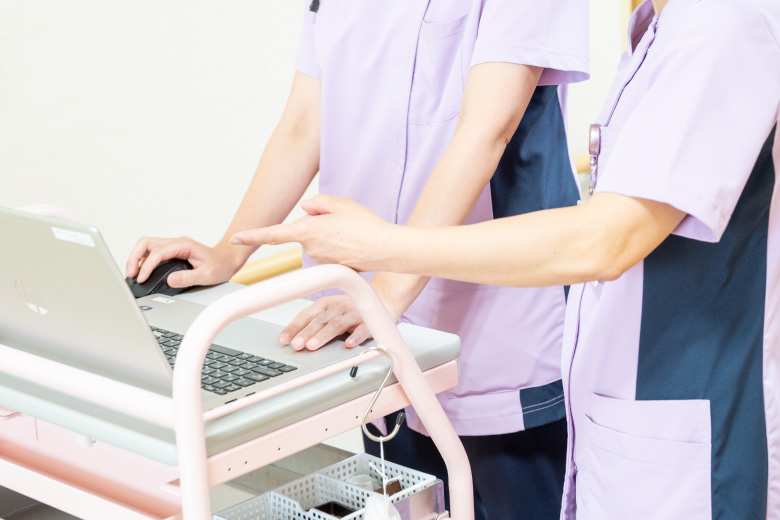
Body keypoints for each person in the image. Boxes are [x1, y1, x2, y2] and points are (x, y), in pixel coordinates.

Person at [232, 0, 780, 517]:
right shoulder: (658, 29)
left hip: (643, 392)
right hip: (614, 396)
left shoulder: (723, 24)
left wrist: (383, 250)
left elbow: (606, 239)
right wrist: (231, 253)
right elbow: (304, 121)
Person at [127, 1, 588, 517]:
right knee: (408, 499)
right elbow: (305, 124)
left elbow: (487, 130)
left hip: (493, 313)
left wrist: (385, 291)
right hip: (365, 311)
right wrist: (227, 253)